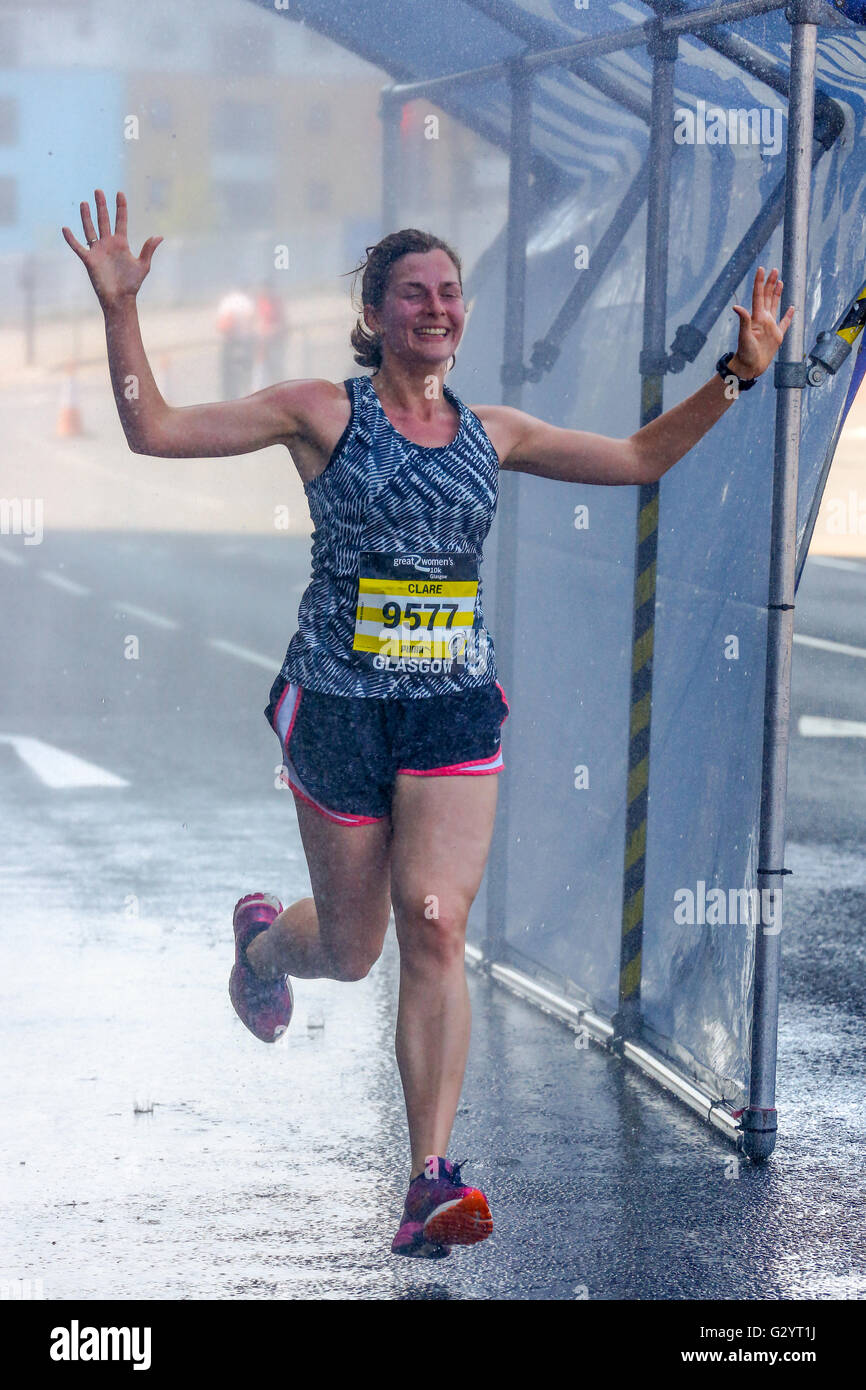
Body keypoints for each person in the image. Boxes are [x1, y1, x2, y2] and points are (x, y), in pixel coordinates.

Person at [62, 189, 795, 1260]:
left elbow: (639, 459)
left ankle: (427, 1178)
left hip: (450, 707)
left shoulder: (491, 433)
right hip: (341, 708)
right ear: (375, 311)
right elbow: (155, 429)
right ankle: (265, 945)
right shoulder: (320, 411)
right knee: (355, 947)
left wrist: (735, 374)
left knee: (435, 923)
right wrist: (122, 312)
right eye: (414, 293)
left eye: (450, 292)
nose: (437, 307)